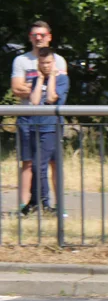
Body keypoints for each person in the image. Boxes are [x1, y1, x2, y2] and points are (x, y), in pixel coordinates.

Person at [11, 21, 68, 209]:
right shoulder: (21, 61)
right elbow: (16, 89)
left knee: (53, 162)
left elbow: (57, 90)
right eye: (35, 35)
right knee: (28, 162)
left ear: (49, 37)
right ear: (29, 37)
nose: (38, 38)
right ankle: (24, 204)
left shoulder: (58, 60)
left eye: (42, 35)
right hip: (27, 118)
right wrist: (38, 88)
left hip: (51, 120)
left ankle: (59, 205)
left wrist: (33, 86)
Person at [22, 49, 70, 215]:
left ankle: (45, 203)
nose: (46, 66)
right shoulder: (36, 79)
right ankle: (35, 201)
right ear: (38, 64)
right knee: (37, 166)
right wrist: (41, 78)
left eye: (49, 63)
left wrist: (52, 78)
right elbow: (34, 102)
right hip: (36, 127)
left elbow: (50, 99)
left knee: (39, 165)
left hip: (51, 128)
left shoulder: (62, 79)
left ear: (54, 63)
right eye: (42, 63)